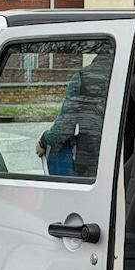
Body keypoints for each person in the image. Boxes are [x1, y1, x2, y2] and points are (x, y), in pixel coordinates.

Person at [36, 49, 113, 177]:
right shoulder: (127, 73)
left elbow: (63, 129)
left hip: (93, 167)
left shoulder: (84, 77)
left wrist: (43, 141)